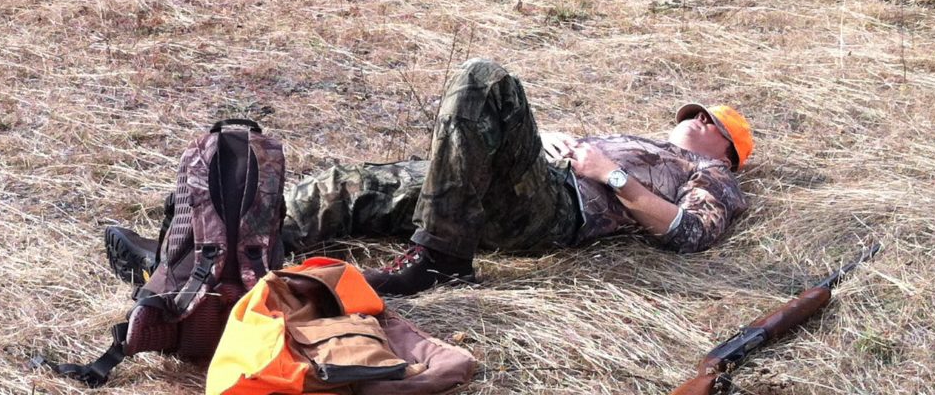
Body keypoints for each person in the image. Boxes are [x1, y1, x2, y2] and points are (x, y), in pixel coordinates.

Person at [106, 59, 755, 296]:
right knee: (346, 187)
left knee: (485, 80)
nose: (691, 117)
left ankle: (441, 258)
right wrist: (556, 141)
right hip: (525, 182)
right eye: (692, 111)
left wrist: (611, 175)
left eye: (705, 118)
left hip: (556, 212)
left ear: (724, 147)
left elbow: (691, 234)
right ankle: (190, 258)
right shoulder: (653, 141)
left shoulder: (711, 177)